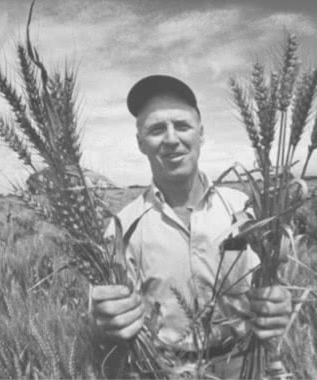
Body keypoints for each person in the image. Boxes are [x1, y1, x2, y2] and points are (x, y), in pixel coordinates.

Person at [91, 75, 292, 378]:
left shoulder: (245, 209)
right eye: (157, 129)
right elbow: (104, 316)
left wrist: (279, 301)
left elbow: (275, 280)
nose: (171, 139)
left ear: (201, 133)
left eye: (182, 126)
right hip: (163, 370)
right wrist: (105, 321)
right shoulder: (121, 228)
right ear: (140, 143)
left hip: (244, 365)